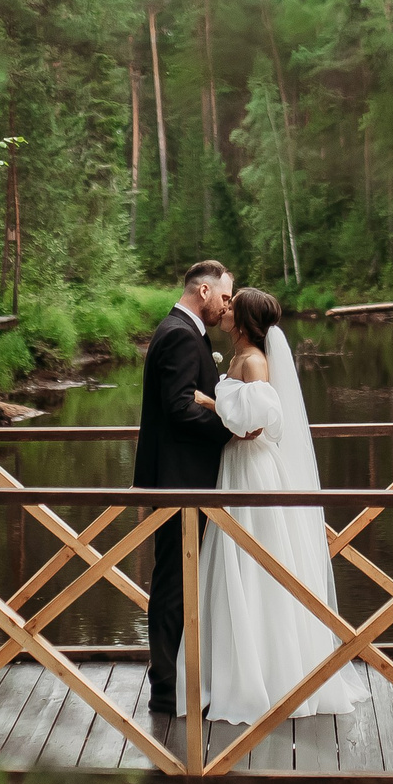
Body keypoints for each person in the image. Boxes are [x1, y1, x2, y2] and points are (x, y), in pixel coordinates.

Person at [190, 287, 360, 722]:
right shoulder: (237, 358)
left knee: (257, 560)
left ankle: (273, 674)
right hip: (236, 466)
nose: (223, 310)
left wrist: (211, 402)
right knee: (236, 562)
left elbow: (253, 424)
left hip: (252, 469)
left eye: (231, 306)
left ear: (243, 321)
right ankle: (236, 666)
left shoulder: (254, 361)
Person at [133, 260, 235, 715]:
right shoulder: (178, 333)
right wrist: (231, 426)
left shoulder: (185, 330)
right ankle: (165, 689)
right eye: (225, 296)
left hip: (185, 481)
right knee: (173, 584)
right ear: (204, 290)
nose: (226, 306)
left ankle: (179, 678)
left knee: (179, 580)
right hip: (178, 483)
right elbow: (178, 408)